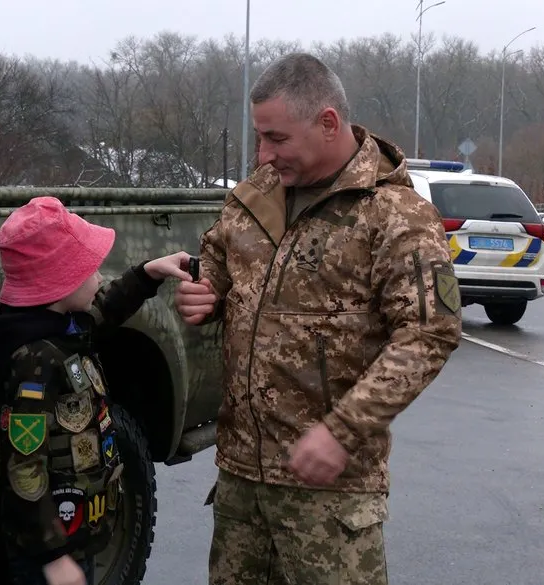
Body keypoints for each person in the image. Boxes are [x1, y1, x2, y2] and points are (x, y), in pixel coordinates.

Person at [174, 52, 463, 584]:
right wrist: (203, 293)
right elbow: (215, 257)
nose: (263, 154)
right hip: (240, 479)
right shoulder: (255, 196)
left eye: (277, 138)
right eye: (260, 137)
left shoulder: (392, 214)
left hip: (330, 494)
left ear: (328, 123)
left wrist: (343, 431)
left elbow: (429, 332)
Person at [0, 195, 195, 585]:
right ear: (60, 284)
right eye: (91, 270)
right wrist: (53, 556)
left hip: (75, 535)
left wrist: (149, 274)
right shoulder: (32, 364)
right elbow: (25, 469)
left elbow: (103, 310)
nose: (100, 277)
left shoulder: (56, 327)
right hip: (49, 552)